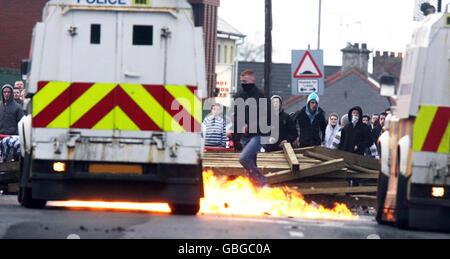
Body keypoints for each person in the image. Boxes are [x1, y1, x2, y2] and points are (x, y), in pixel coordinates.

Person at [228, 70, 269, 186]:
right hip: (245, 137)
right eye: (241, 81)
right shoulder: (239, 96)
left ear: (252, 81)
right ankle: (256, 191)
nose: (243, 83)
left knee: (244, 158)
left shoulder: (261, 96)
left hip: (259, 135)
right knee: (249, 168)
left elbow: (266, 118)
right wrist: (234, 133)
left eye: (245, 81)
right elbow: (236, 117)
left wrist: (249, 125)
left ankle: (262, 181)